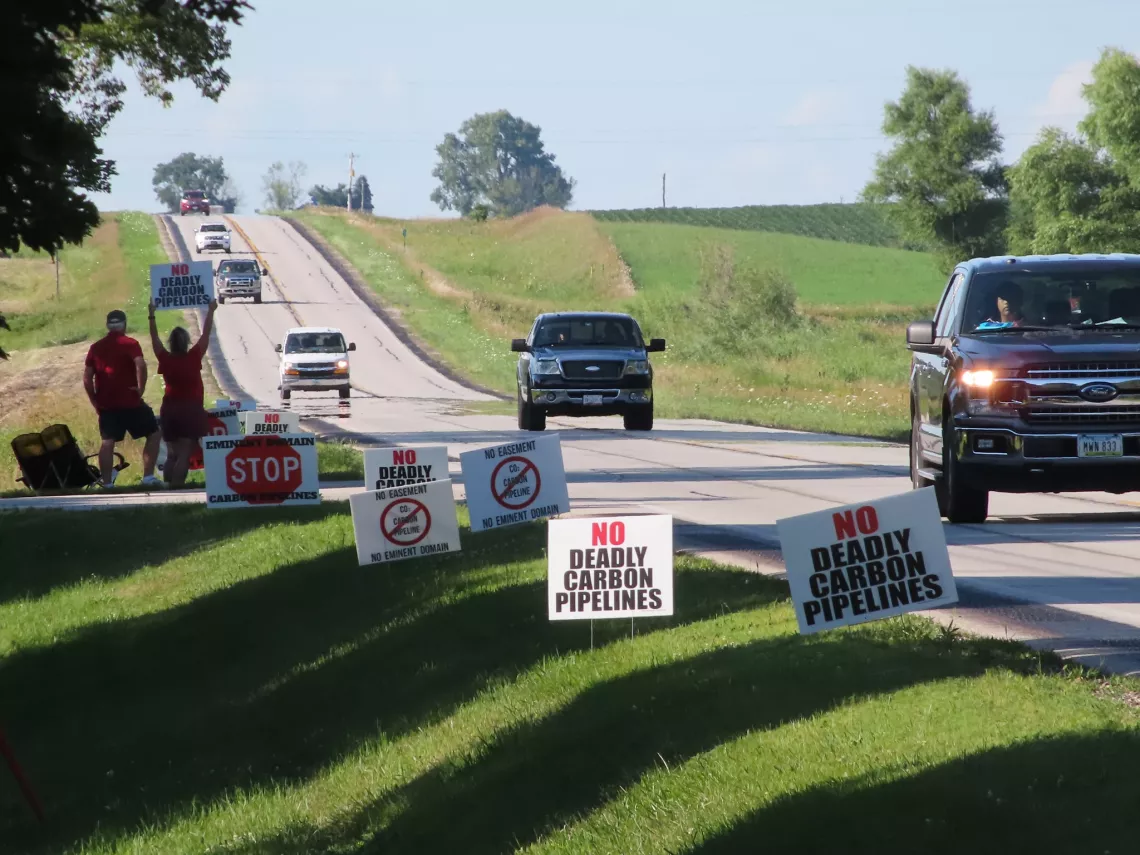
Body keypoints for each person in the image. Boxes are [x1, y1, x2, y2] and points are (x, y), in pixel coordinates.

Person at [83, 309, 163, 487]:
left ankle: (107, 483)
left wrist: (94, 400)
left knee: (107, 442)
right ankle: (148, 477)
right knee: (154, 433)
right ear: (124, 325)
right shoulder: (130, 343)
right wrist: (140, 388)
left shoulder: (95, 348)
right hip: (131, 401)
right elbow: (140, 364)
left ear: (107, 326)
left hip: (107, 404)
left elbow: (87, 377)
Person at [148, 299, 217, 487]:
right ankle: (177, 490)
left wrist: (151, 315)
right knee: (185, 453)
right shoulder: (194, 357)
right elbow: (206, 334)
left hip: (169, 410)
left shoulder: (165, 359)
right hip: (190, 410)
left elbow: (154, 340)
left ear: (171, 343)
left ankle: (168, 488)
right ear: (186, 342)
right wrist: (211, 311)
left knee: (172, 453)